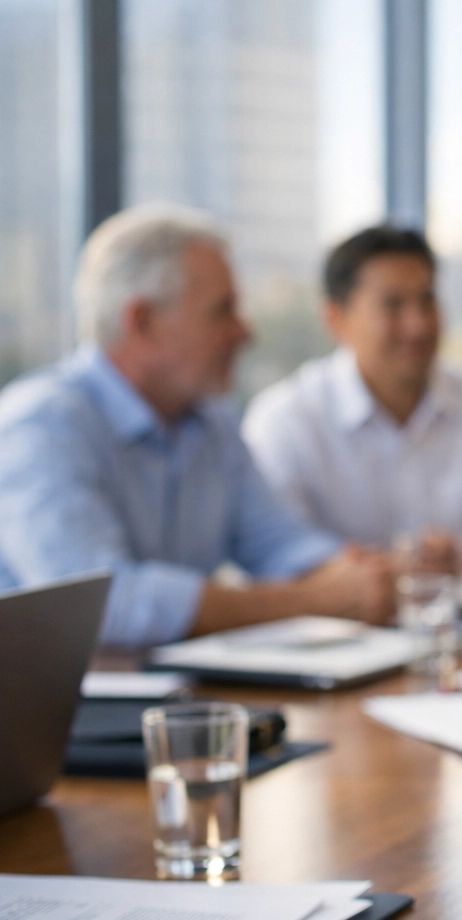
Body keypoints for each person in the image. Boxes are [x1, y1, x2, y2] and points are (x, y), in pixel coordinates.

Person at [0, 204, 394, 649]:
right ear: (143, 322)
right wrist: (312, 601)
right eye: (222, 311)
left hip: (179, 689)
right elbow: (106, 606)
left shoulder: (211, 423)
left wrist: (362, 575)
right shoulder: (39, 428)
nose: (244, 332)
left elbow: (280, 543)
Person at [242, 226, 462, 605]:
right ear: (336, 319)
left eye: (427, 301)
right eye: (393, 306)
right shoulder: (285, 421)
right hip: (340, 635)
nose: (418, 325)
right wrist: (373, 577)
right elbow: (271, 554)